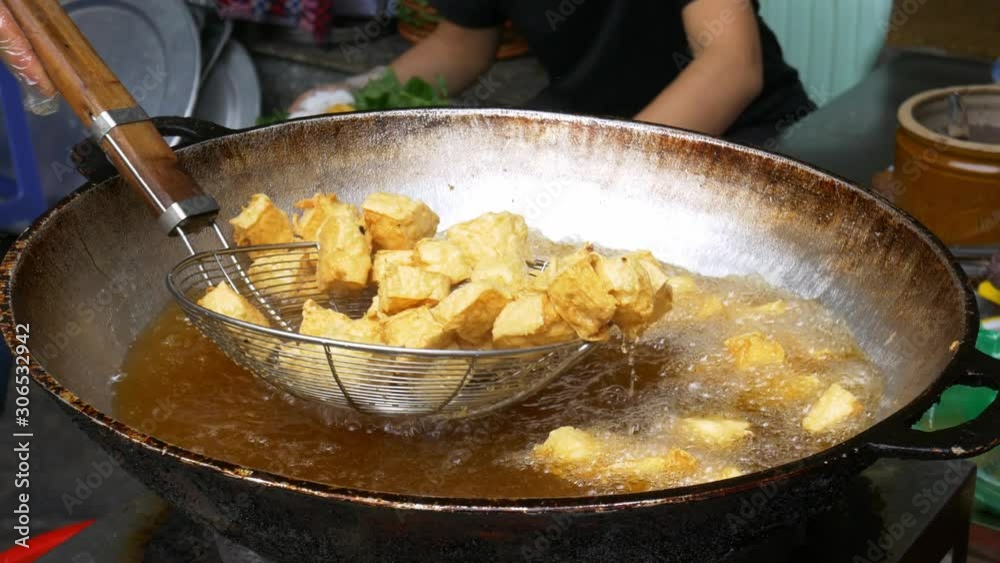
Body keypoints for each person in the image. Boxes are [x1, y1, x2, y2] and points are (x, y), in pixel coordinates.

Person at [296, 0, 815, 145]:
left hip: (751, 138)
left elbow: (730, 66)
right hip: (586, 130)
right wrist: (352, 98)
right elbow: (459, 47)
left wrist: (611, 167)